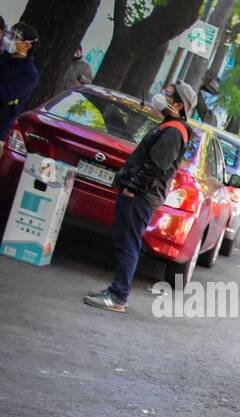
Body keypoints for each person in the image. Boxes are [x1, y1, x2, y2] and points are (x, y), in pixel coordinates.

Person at [84, 82, 197, 313]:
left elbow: (157, 167)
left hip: (142, 196)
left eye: (167, 94)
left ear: (178, 104)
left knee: (129, 244)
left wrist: (133, 188)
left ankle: (118, 295)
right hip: (140, 194)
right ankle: (116, 291)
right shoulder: (170, 126)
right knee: (127, 242)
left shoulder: (175, 130)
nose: (161, 96)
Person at [0, 21, 39, 145]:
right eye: (9, 34)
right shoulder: (2, 58)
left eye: (15, 37)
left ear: (27, 46)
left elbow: (4, 94)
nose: (8, 39)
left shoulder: (29, 74)